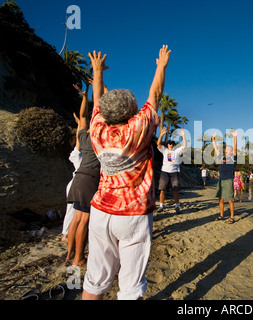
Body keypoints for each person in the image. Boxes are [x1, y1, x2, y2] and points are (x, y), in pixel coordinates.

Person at [81, 45, 170, 300]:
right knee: (131, 287)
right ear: (132, 112)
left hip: (100, 211)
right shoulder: (138, 130)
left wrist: (97, 72)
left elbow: (97, 101)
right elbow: (155, 94)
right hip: (133, 215)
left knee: (94, 279)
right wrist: (161, 66)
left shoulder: (97, 129)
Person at [66, 82, 101, 266]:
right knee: (84, 220)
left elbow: (81, 116)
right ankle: (78, 258)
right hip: (90, 179)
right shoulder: (98, 138)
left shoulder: (83, 136)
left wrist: (84, 96)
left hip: (78, 177)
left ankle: (69, 253)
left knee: (76, 217)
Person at [61, 110, 83, 242]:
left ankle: (66, 233)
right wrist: (80, 124)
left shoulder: (78, 156)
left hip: (75, 183)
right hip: (76, 184)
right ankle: (65, 234)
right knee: (73, 210)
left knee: (73, 210)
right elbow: (79, 139)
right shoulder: (76, 154)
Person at [156, 126, 187, 213]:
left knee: (175, 190)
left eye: (173, 143)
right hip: (165, 172)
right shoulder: (164, 150)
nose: (171, 145)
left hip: (174, 172)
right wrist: (161, 134)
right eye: (170, 143)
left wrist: (183, 136)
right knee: (162, 190)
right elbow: (158, 144)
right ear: (167, 145)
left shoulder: (177, 151)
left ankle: (177, 206)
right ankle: (161, 206)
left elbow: (184, 146)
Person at [212, 130, 238, 224]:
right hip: (221, 180)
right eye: (226, 148)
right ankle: (221, 215)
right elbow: (216, 149)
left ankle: (232, 217)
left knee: (230, 200)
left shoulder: (232, 159)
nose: (226, 149)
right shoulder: (222, 158)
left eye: (228, 149)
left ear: (231, 151)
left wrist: (235, 137)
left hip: (228, 181)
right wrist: (213, 139)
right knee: (221, 199)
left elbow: (235, 149)